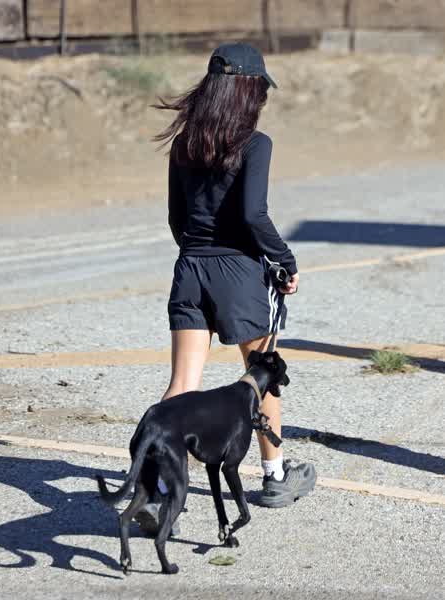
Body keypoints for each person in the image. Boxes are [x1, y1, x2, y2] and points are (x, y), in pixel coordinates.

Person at [137, 42, 316, 533]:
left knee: (181, 386)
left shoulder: (184, 144)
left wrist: (197, 257)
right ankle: (275, 477)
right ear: (248, 92)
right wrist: (285, 260)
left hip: (190, 269)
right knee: (260, 376)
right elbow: (253, 215)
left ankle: (158, 493)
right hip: (238, 274)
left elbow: (176, 219)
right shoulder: (255, 144)